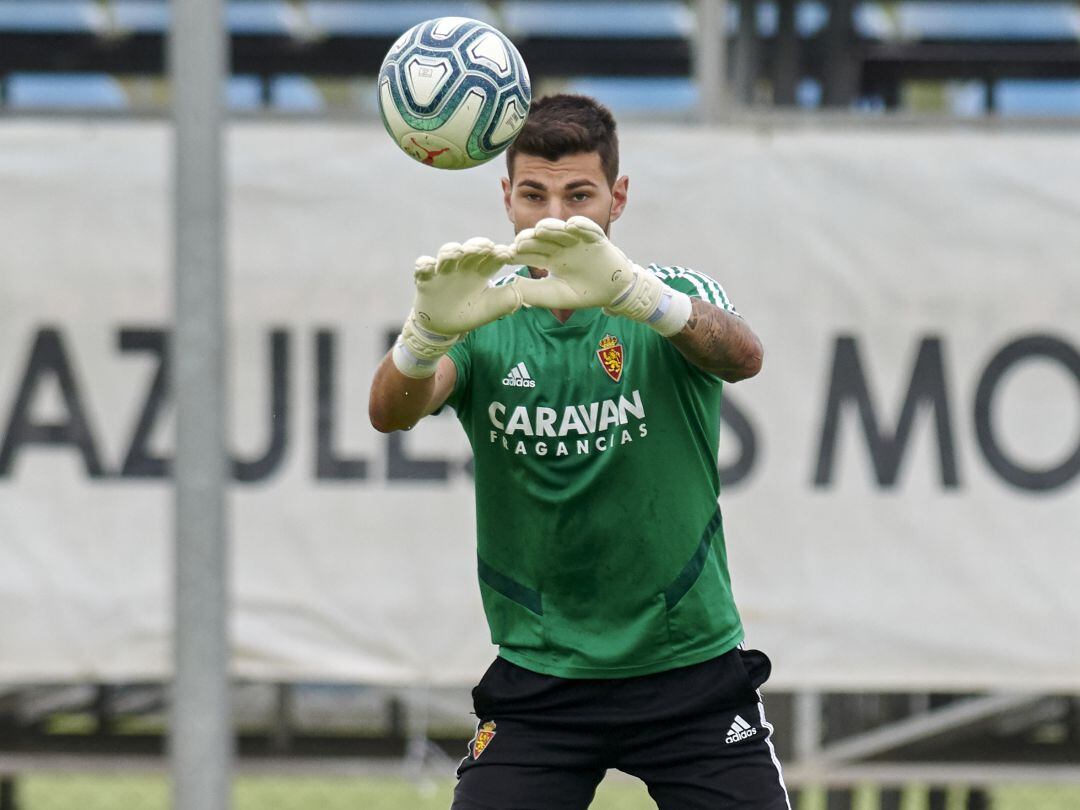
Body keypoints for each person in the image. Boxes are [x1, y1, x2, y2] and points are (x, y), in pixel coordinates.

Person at [369, 94, 789, 810]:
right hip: (542, 676)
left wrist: (638, 296)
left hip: (685, 665)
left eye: (579, 194)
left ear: (616, 199)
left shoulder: (666, 297)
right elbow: (389, 411)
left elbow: (744, 356)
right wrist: (423, 338)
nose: (555, 215)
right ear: (506, 198)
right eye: (534, 193)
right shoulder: (483, 312)